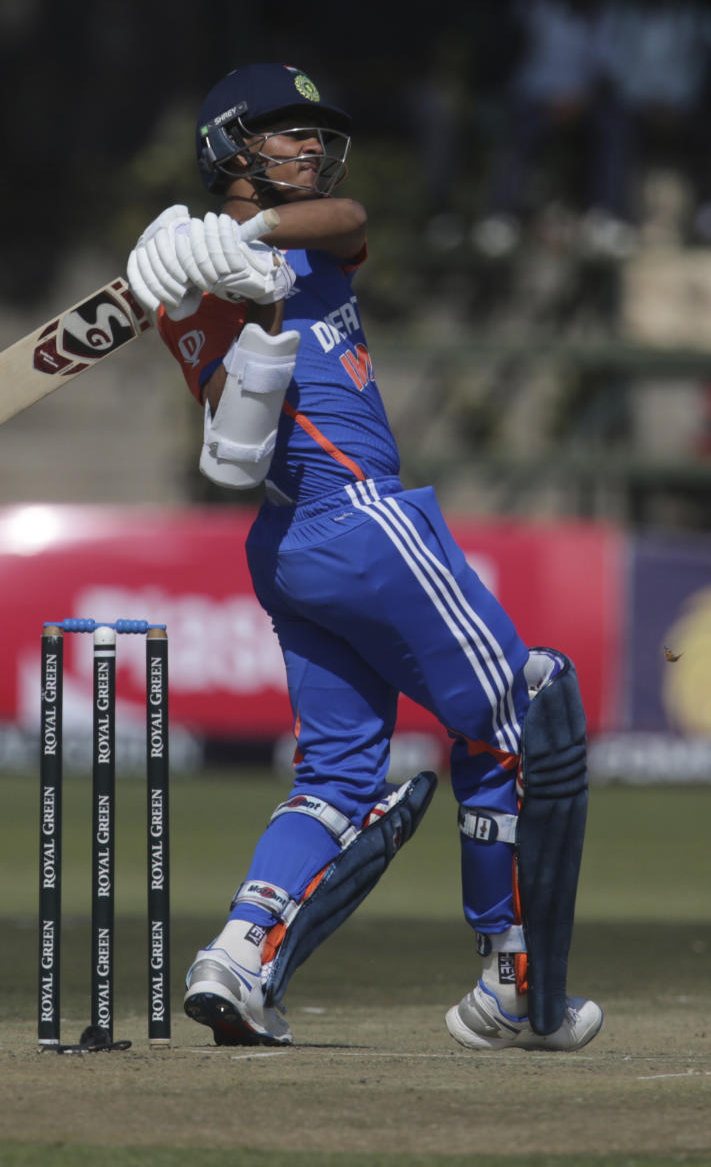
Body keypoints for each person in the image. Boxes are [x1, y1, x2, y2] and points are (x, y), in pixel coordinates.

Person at [126, 63, 603, 1052]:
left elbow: (346, 217)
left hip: (292, 549)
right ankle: (516, 983)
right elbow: (231, 441)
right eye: (286, 133)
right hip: (359, 518)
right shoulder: (192, 286)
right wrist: (193, 279)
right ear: (231, 145)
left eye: (316, 133)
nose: (310, 147)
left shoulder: (304, 241)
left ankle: (240, 954)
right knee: (523, 711)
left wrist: (243, 236)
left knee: (339, 776)